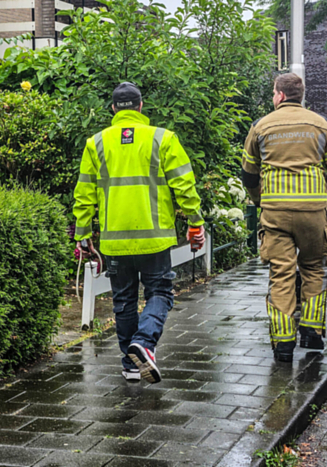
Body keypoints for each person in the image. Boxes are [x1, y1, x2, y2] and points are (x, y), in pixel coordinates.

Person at [73, 82, 205, 383]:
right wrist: (195, 221)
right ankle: (144, 343)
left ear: (113, 109)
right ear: (141, 107)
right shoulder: (163, 138)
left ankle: (131, 365)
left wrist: (83, 234)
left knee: (124, 301)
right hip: (154, 239)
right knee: (160, 292)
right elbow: (184, 185)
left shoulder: (96, 143)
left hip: (114, 240)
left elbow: (84, 194)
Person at [241, 73, 327, 362]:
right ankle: (313, 333)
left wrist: (260, 202)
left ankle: (283, 344)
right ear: (300, 95)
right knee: (315, 267)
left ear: (279, 95)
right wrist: (325, 201)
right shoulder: (322, 124)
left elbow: (249, 174)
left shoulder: (260, 126)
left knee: (281, 274)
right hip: (314, 212)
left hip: (275, 213)